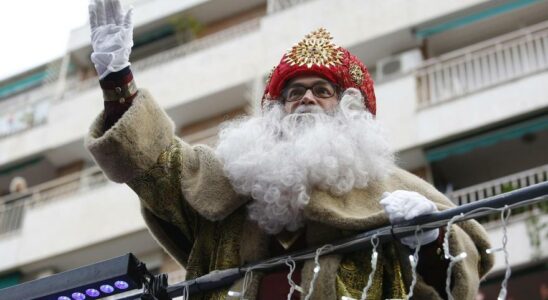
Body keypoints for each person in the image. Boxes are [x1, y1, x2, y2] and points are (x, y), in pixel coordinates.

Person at [85, 1, 494, 299]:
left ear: (349, 109)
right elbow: (159, 166)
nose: (305, 100)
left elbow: (459, 277)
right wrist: (117, 78)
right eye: (293, 93)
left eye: (322, 91)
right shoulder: (228, 185)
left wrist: (432, 235)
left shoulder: (394, 192)